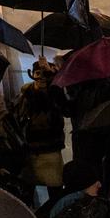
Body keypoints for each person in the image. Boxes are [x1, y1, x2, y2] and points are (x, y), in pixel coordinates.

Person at [14, 59, 68, 203]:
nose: (41, 77)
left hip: (50, 149)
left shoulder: (55, 93)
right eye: (38, 73)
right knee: (26, 191)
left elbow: (56, 103)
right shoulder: (26, 93)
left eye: (45, 73)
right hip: (30, 149)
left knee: (55, 191)